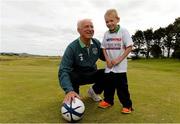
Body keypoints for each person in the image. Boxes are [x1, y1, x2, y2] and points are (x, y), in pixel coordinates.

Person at [58, 19, 105, 104]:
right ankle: (73, 94)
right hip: (77, 77)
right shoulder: (72, 47)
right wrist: (69, 90)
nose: (90, 29)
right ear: (79, 30)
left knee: (108, 73)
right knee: (71, 75)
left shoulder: (96, 43)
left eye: (92, 26)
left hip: (92, 74)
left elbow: (105, 57)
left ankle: (93, 92)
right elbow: (63, 70)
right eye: (86, 26)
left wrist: (118, 53)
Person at [98, 9, 133, 114]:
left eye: (111, 21)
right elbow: (103, 48)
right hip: (109, 67)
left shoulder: (123, 31)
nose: (109, 23)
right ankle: (108, 101)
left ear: (117, 19)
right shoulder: (106, 34)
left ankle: (127, 106)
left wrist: (118, 59)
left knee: (122, 88)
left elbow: (129, 47)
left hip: (120, 67)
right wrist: (108, 60)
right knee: (108, 86)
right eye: (107, 22)